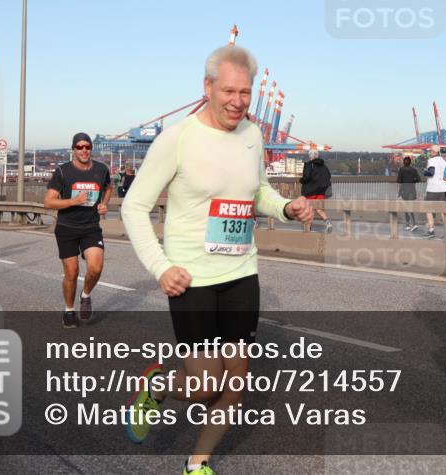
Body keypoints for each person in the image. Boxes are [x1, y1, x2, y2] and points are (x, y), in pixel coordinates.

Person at [121, 45, 313, 475]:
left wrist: (286, 208)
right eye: (229, 90)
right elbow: (135, 207)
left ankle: (197, 463)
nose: (238, 101)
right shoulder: (177, 139)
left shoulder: (252, 134)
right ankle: (160, 387)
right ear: (207, 87)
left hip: (241, 271)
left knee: (236, 383)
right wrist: (161, 266)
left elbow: (257, 190)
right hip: (191, 278)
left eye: (245, 92)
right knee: (206, 386)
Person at [44, 133, 113, 328]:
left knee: (96, 268)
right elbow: (48, 201)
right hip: (67, 228)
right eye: (80, 147)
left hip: (91, 227)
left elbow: (108, 188)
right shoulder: (63, 171)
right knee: (72, 273)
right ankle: (68, 310)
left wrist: (103, 204)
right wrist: (74, 201)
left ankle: (86, 295)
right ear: (73, 149)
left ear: (91, 148)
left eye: (88, 147)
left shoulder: (101, 169)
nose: (84, 150)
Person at [299, 149, 333, 233]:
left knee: (308, 209)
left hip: (311, 191)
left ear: (310, 156)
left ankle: (308, 229)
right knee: (318, 209)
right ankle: (327, 222)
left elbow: (306, 177)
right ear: (317, 156)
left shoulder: (309, 165)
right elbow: (329, 176)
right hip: (321, 191)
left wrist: (301, 180)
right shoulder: (324, 166)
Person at [423, 145, 446, 238]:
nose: (430, 152)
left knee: (429, 210)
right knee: (443, 211)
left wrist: (424, 171)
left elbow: (431, 173)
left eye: (430, 151)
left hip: (433, 189)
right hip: (444, 189)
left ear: (434, 152)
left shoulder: (431, 160)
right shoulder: (444, 161)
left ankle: (431, 231)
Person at [396, 155, 422, 231]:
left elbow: (399, 181)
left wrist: (399, 193)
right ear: (410, 162)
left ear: (404, 163)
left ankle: (408, 224)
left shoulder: (401, 169)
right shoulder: (414, 170)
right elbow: (419, 179)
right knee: (410, 207)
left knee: (406, 208)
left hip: (404, 191)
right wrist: (413, 180)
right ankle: (414, 223)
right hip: (412, 190)